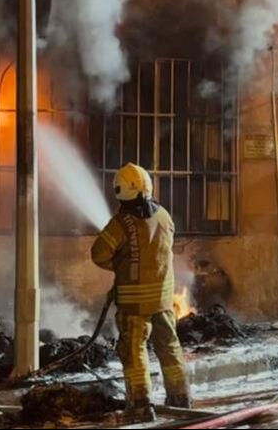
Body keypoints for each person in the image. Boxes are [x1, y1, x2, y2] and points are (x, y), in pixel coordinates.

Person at [91, 163, 191, 422]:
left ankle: (140, 403)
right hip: (164, 301)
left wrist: (119, 265)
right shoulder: (164, 216)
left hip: (134, 303)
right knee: (169, 346)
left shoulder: (120, 223)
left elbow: (98, 254)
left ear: (120, 191)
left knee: (134, 350)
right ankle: (180, 398)